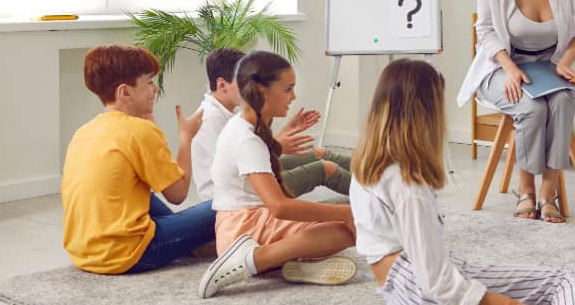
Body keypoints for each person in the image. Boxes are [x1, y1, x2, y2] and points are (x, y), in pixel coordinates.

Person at [352, 59, 575, 304]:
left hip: (400, 287)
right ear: (426, 112)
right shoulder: (408, 184)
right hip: (422, 285)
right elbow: (438, 284)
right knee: (568, 281)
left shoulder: (368, 166)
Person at [457, 0, 575, 223]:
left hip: (553, 62)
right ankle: (526, 191)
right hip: (504, 64)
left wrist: (565, 62)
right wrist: (508, 67)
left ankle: (549, 191)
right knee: (531, 109)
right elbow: (486, 30)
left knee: (561, 102)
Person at [198, 51, 357, 298]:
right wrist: (346, 212)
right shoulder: (246, 138)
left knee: (339, 229)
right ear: (263, 92)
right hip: (242, 229)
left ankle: (290, 263)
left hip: (244, 221)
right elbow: (280, 207)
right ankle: (253, 259)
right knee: (345, 231)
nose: (293, 96)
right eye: (288, 89)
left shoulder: (246, 124)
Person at [61, 44, 215, 274]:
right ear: (125, 92)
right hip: (130, 254)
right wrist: (186, 136)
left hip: (82, 253)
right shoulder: (139, 131)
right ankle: (195, 240)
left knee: (138, 189)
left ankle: (190, 241)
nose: (155, 89)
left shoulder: (85, 131)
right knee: (226, 202)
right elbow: (178, 194)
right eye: (150, 82)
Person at [191, 47, 352, 203]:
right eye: (242, 81)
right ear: (222, 85)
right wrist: (279, 145)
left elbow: (254, 150)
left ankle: (374, 171)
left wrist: (287, 130)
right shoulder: (211, 119)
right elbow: (236, 172)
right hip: (238, 193)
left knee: (319, 154)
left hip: (249, 180)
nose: (248, 87)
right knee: (324, 169)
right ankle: (369, 198)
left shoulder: (229, 113)